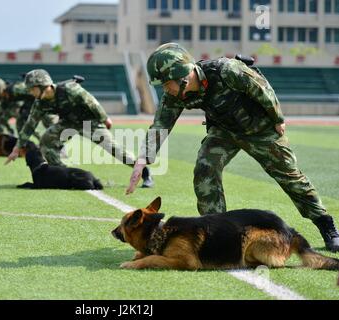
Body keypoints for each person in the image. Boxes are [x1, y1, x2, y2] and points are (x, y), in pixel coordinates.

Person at [126, 43, 339, 252]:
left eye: (166, 83)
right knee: (205, 168)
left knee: (290, 177)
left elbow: (261, 88)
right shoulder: (175, 96)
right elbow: (161, 124)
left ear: (182, 75)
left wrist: (277, 118)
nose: (165, 89)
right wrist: (144, 158)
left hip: (260, 130)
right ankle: (216, 234)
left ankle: (326, 226)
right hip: (224, 132)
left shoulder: (226, 71)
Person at [5, 69, 154, 188]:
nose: (30, 93)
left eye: (32, 89)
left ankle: (145, 172)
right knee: (46, 140)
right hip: (69, 123)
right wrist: (17, 148)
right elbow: (30, 124)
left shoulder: (70, 89)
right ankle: (63, 173)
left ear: (43, 85)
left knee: (114, 149)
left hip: (90, 123)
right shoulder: (40, 103)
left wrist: (104, 118)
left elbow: (91, 102)